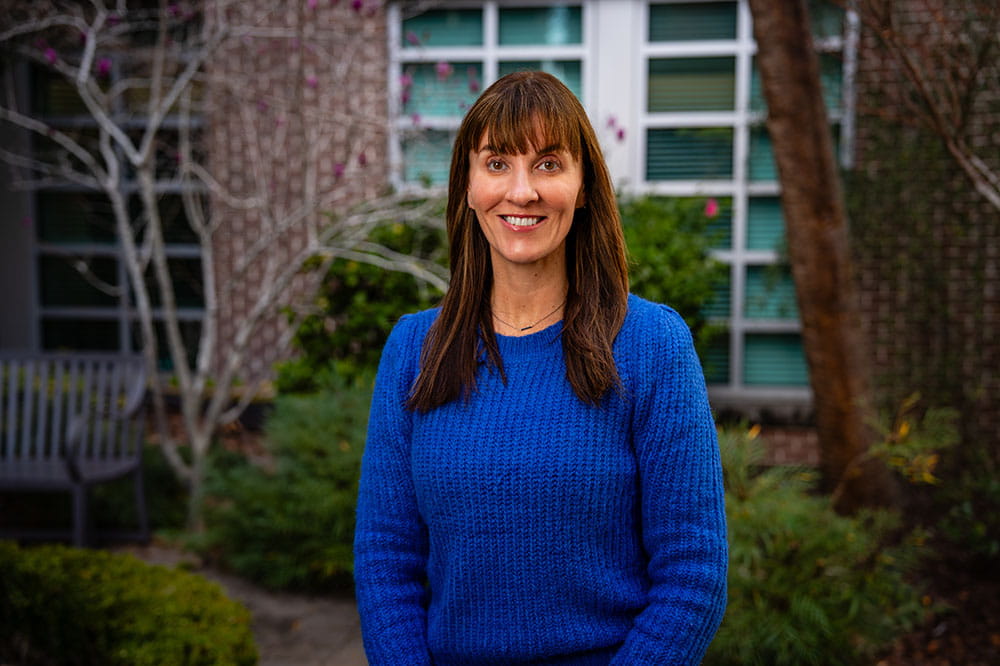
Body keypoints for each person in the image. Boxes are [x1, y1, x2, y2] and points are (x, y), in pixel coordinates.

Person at [354, 70, 727, 665]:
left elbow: (694, 573)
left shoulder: (653, 344)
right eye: (497, 162)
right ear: (468, 185)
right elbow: (385, 562)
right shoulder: (413, 350)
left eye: (549, 163)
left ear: (583, 188)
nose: (521, 191)